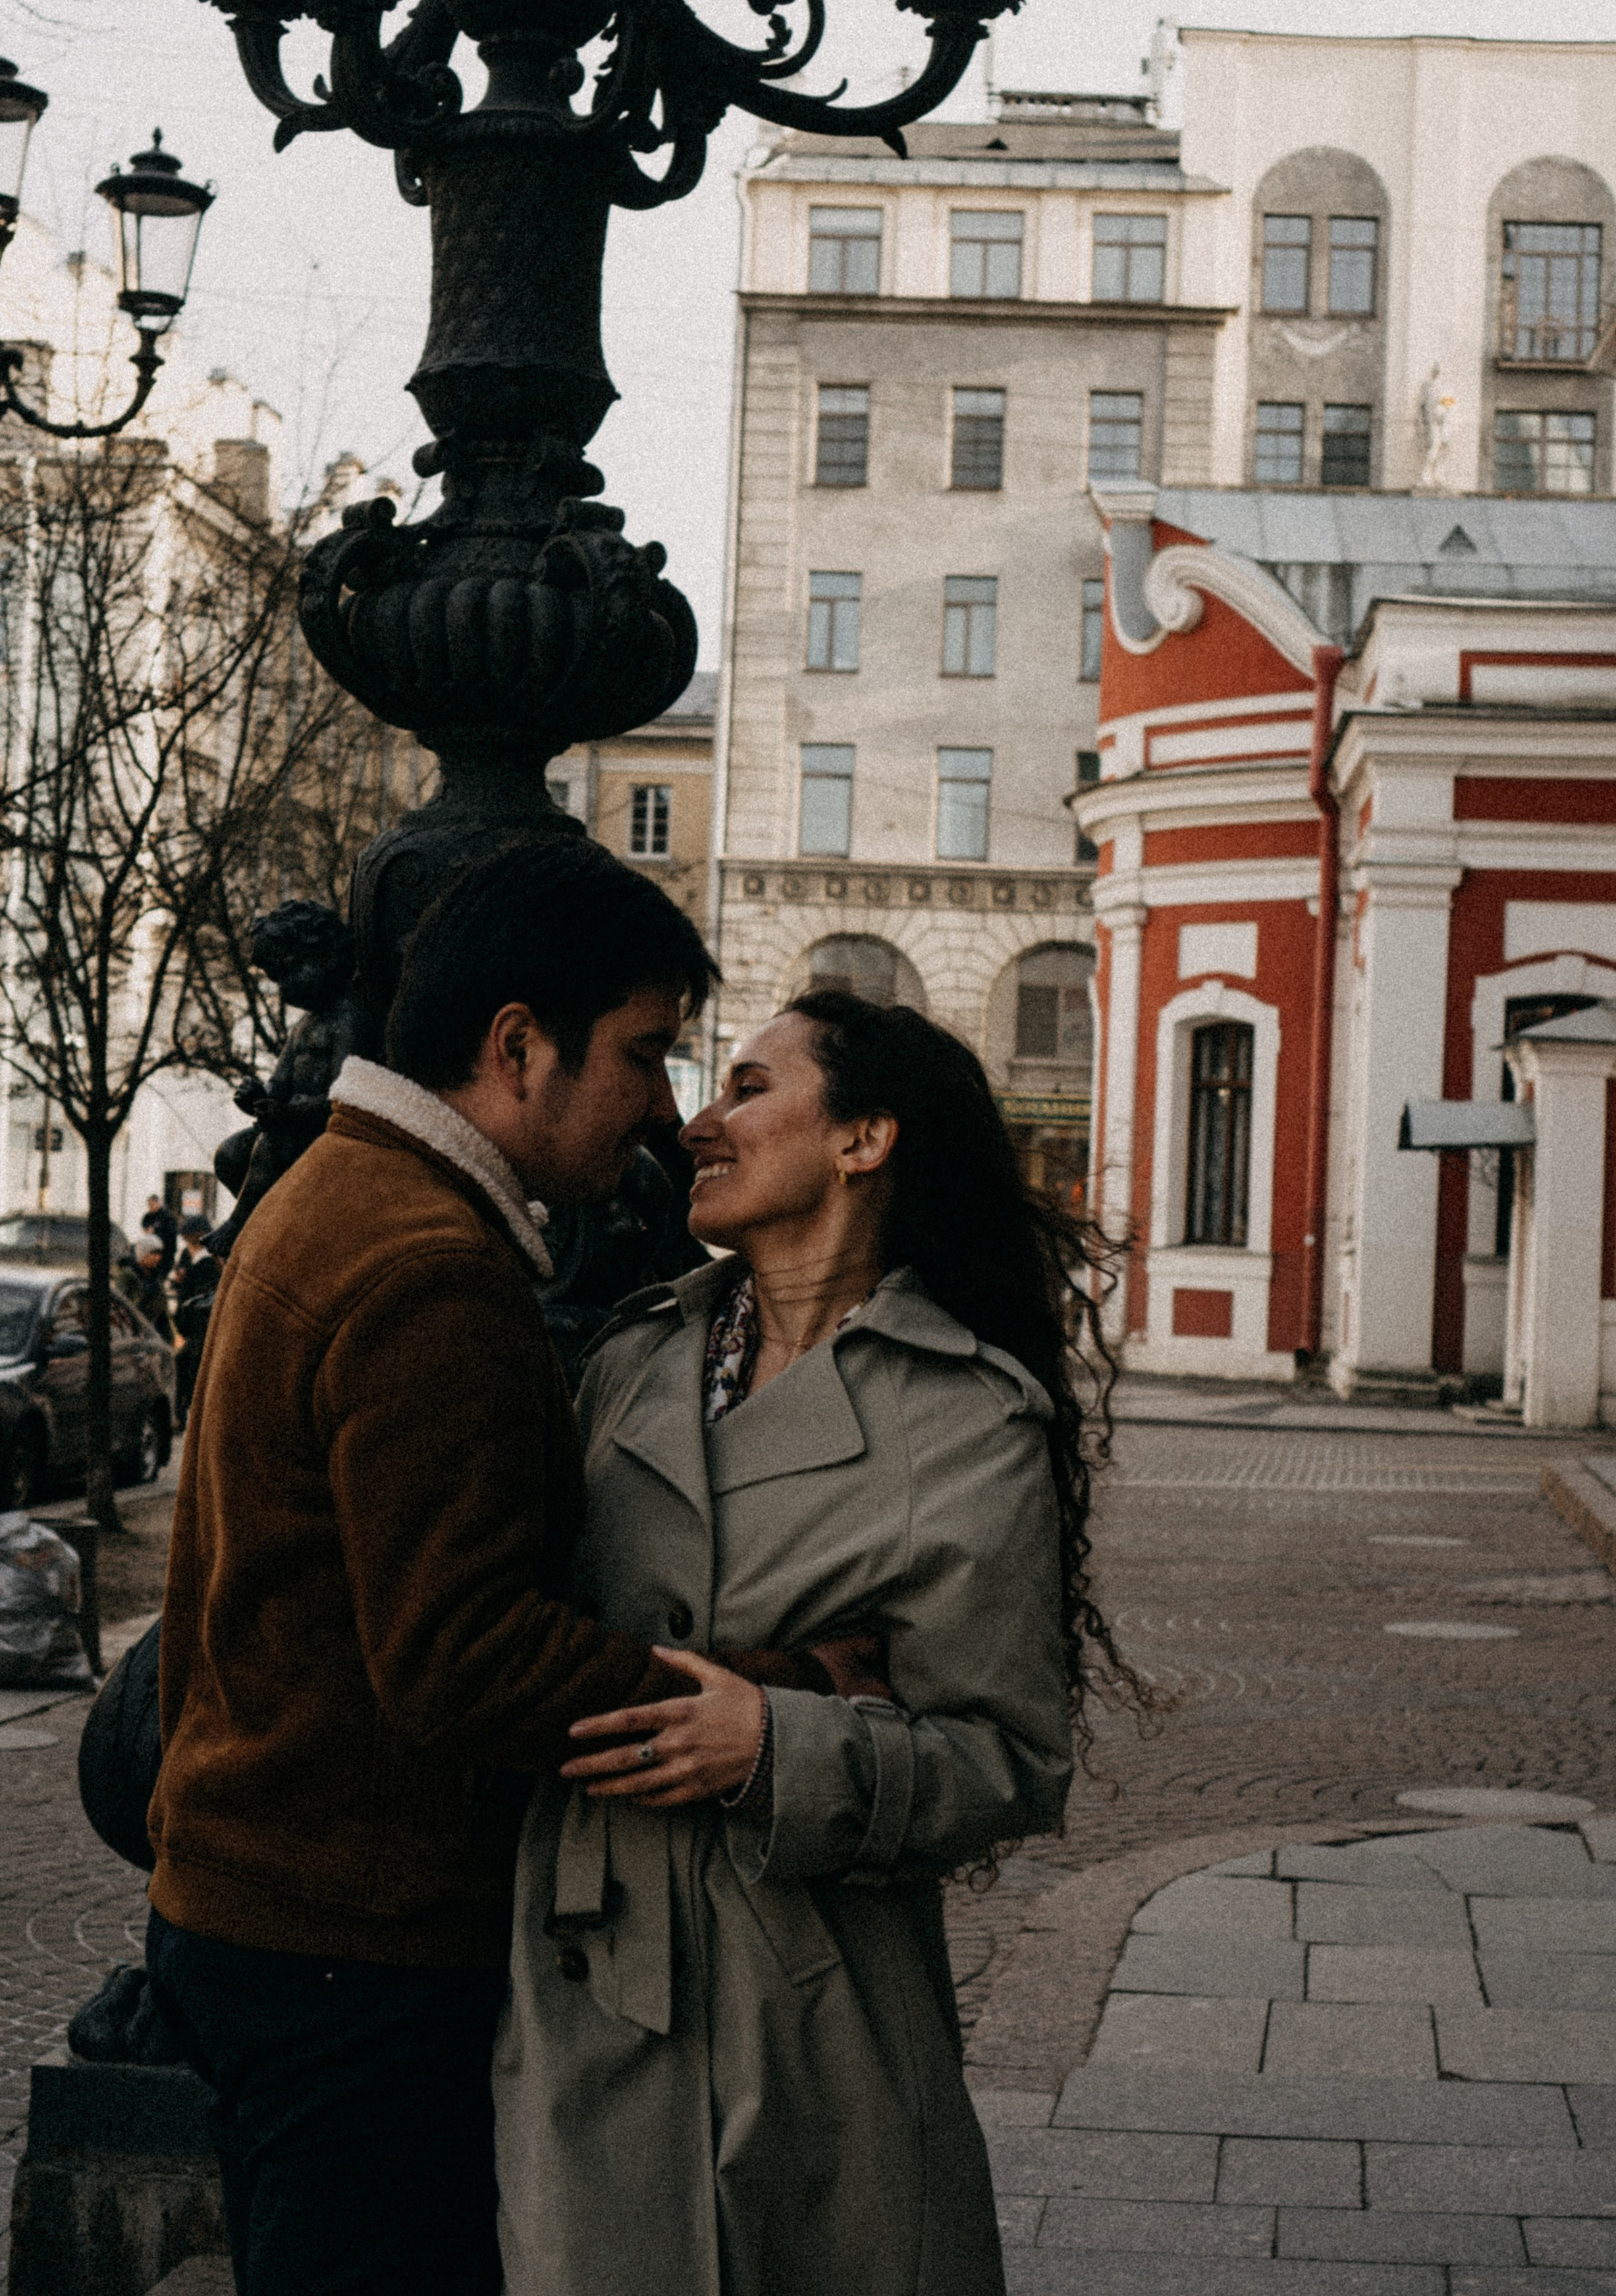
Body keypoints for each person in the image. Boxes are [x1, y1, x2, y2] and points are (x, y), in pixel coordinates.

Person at [144, 840, 846, 2296]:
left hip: (265, 1922)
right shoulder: (425, 1266)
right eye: (643, 1056)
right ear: (518, 1046)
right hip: (353, 1956)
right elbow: (465, 1659)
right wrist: (776, 1696)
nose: (664, 1109)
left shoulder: (345, 1190)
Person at [494, 991, 1131, 2296]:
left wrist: (771, 1743)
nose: (697, 1124)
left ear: (862, 1139)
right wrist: (804, 1668)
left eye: (743, 1087)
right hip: (581, 1965)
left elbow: (1007, 1758)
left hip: (814, 1998)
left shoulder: (964, 1414)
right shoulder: (632, 1357)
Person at [170, 1215, 220, 1424]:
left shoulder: (205, 1263)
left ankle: (186, 1413)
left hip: (197, 1329)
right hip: (193, 1327)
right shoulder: (192, 1259)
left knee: (190, 1372)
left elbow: (196, 1299)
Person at [140, 1192, 178, 1266]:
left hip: (167, 1249)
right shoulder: (148, 1217)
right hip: (154, 1248)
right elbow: (145, 1227)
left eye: (152, 1205)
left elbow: (171, 1233)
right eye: (149, 1205)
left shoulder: (167, 1216)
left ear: (157, 1203)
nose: (151, 1207)